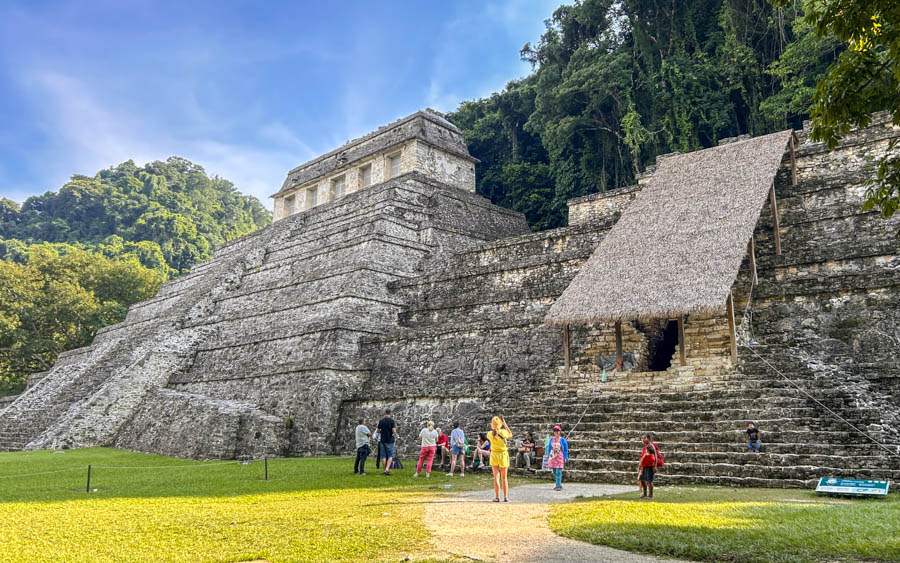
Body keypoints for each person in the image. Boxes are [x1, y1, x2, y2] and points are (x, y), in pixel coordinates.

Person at [487, 416, 513, 502]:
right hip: (503, 455)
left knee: (496, 477)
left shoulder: (489, 434)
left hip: (494, 454)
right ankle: (506, 497)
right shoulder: (503, 432)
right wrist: (505, 425)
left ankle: (497, 497)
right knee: (504, 478)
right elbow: (510, 434)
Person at [547, 425, 569, 491]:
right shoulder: (551, 439)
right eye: (555, 430)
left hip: (560, 457)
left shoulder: (563, 440)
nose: (556, 432)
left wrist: (565, 457)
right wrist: (549, 455)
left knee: (558, 472)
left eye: (557, 430)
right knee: (554, 472)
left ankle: (558, 486)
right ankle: (558, 483)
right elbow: (549, 448)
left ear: (560, 431)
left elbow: (565, 449)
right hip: (553, 457)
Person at [377, 409, 398, 475]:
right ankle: (387, 469)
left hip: (382, 440)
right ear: (390, 414)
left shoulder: (381, 421)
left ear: (385, 413)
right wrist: (396, 434)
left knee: (383, 456)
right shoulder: (392, 421)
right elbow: (394, 431)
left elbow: (378, 430)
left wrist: (382, 432)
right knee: (390, 455)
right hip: (390, 440)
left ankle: (384, 470)